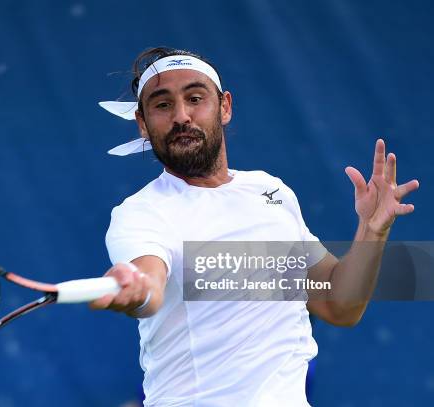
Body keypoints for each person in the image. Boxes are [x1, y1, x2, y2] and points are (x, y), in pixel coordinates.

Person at [90, 47, 419, 406]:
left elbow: (339, 305)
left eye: (195, 98)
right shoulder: (141, 213)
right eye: (163, 105)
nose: (181, 115)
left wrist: (372, 230)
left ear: (225, 106)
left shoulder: (271, 190)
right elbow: (148, 283)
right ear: (143, 122)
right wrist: (137, 289)